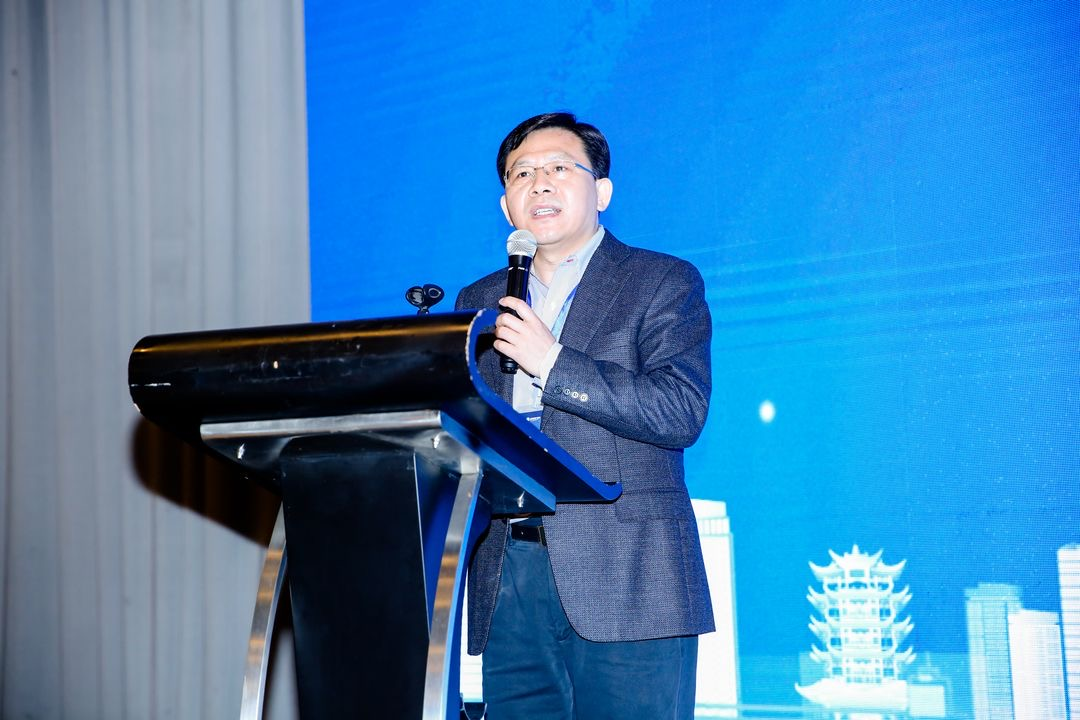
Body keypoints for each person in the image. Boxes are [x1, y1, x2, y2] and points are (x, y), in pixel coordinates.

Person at [455, 112, 714, 719]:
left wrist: (552, 362)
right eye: (522, 173)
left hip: (631, 579)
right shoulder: (477, 302)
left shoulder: (661, 281)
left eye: (558, 168)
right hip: (509, 577)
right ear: (506, 206)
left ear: (602, 192)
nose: (539, 182)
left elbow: (680, 409)